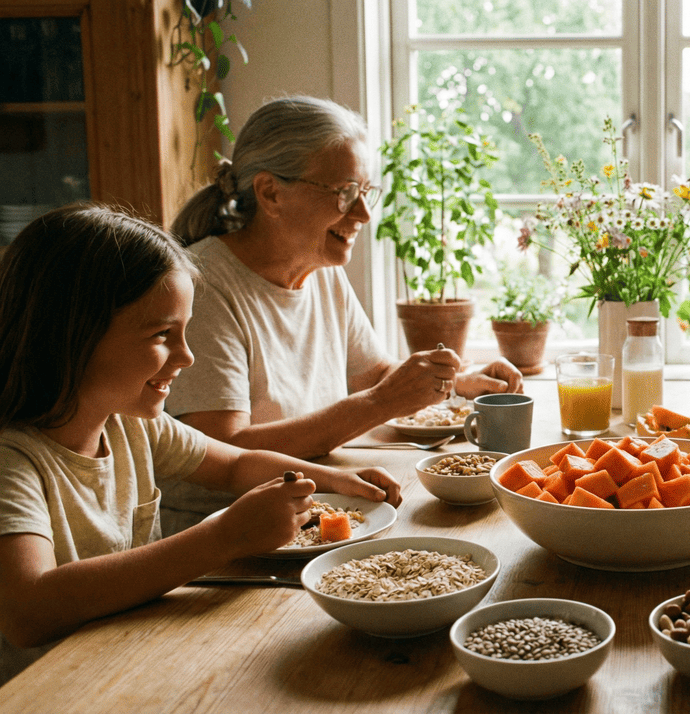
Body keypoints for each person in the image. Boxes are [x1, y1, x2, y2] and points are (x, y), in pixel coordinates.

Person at [0, 205, 402, 683]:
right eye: (163, 334)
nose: (187, 356)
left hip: (127, 660)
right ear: (72, 333)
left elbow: (234, 465)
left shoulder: (129, 425)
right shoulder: (13, 460)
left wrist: (335, 481)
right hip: (54, 690)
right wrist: (225, 537)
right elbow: (28, 613)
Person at [162, 96, 521, 532]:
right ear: (271, 193)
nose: (364, 213)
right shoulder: (204, 287)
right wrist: (382, 402)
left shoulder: (320, 270)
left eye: (365, 191)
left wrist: (456, 381)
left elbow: (373, 374)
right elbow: (224, 449)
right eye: (345, 193)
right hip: (226, 536)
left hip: (317, 513)